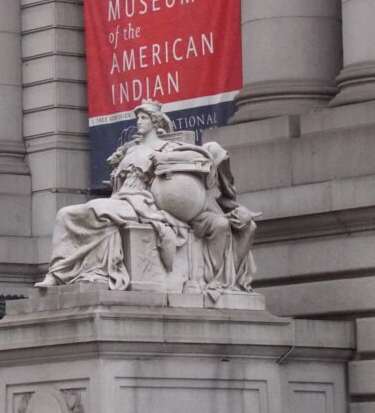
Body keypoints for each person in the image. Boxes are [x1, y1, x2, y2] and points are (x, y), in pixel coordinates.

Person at [34, 100, 257, 297]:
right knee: (66, 214)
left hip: (143, 202)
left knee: (84, 212)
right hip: (123, 199)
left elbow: (202, 157)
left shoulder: (169, 147)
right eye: (138, 118)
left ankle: (68, 273)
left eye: (143, 117)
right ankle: (63, 273)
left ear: (155, 123)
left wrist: (165, 158)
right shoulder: (129, 150)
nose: (139, 121)